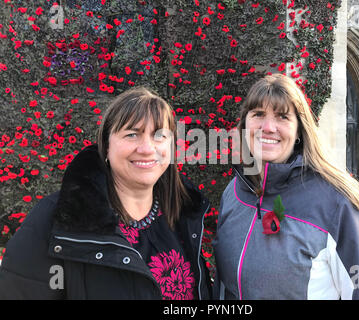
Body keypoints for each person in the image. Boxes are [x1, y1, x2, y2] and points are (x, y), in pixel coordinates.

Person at [0, 87, 211, 300]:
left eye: (160, 135)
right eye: (132, 134)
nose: (147, 148)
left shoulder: (185, 214)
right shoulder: (57, 218)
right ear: (107, 146)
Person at [213, 73, 359, 299]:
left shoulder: (340, 204)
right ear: (244, 124)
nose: (268, 127)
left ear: (299, 129)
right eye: (258, 114)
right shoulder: (234, 192)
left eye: (282, 117)